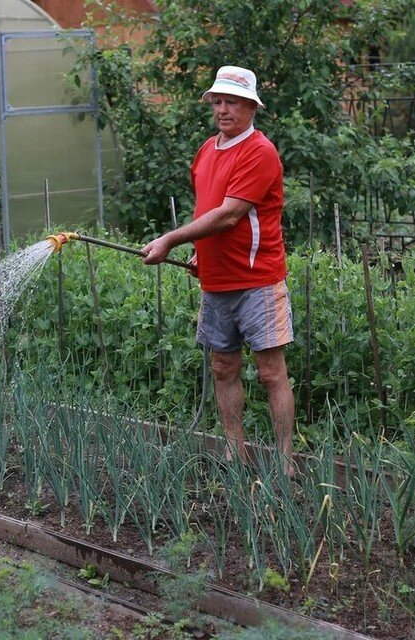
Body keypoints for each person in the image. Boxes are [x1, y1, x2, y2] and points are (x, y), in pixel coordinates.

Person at [141, 65, 295, 475]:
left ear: (251, 107)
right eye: (218, 101)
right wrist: (200, 252)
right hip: (217, 281)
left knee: (271, 372)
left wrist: (171, 239)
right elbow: (207, 209)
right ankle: (234, 451)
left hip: (258, 280)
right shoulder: (207, 150)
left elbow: (229, 215)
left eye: (232, 102)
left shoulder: (259, 152)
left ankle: (285, 460)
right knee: (223, 368)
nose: (222, 109)